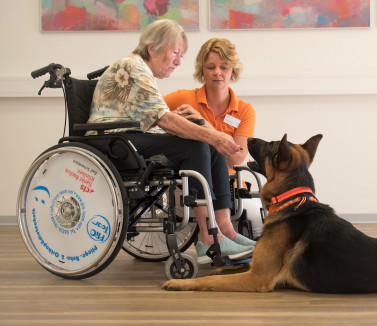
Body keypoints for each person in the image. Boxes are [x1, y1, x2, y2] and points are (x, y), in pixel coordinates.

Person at [86, 20, 255, 264]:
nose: (178, 61)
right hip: (113, 143)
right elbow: (164, 120)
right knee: (199, 142)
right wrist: (213, 135)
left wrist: (210, 136)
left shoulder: (140, 69)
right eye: (175, 53)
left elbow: (158, 116)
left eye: (181, 56)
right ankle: (208, 240)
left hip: (128, 137)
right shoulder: (134, 67)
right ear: (153, 48)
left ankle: (225, 231)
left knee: (205, 142)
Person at [164, 38, 263, 239]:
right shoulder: (183, 98)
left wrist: (206, 126)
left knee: (256, 224)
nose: (217, 72)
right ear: (202, 71)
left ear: (232, 71)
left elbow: (236, 159)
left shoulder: (244, 110)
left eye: (224, 67)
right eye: (211, 67)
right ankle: (210, 238)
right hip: (188, 187)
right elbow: (152, 112)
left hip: (229, 188)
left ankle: (219, 237)